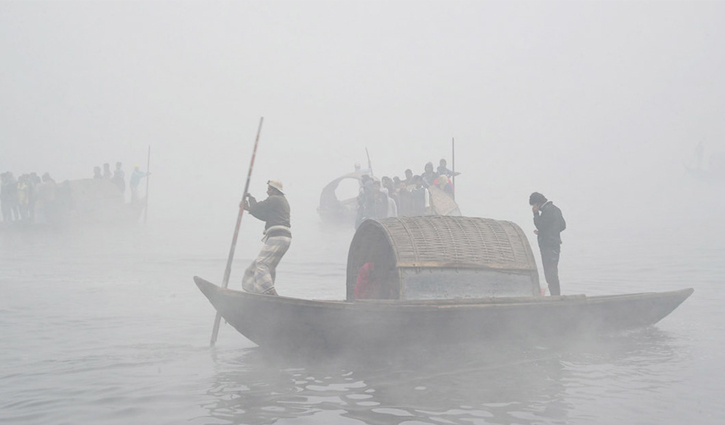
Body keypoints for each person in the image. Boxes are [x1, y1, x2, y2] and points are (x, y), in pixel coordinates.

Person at [241, 180, 292, 296]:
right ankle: (255, 293)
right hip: (283, 238)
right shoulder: (280, 201)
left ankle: (271, 293)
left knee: (262, 264)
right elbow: (263, 216)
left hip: (278, 237)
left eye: (269, 189)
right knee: (254, 269)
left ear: (275, 190)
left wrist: (250, 198)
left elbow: (257, 207)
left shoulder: (275, 199)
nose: (267, 191)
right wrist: (248, 209)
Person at [529, 192, 566, 296]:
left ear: (537, 204)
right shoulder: (556, 209)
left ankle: (555, 296)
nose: (534, 208)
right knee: (553, 271)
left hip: (547, 246)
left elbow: (540, 224)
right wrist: (548, 232)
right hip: (555, 245)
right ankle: (556, 295)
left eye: (534, 205)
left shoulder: (547, 211)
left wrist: (535, 214)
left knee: (550, 274)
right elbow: (562, 226)